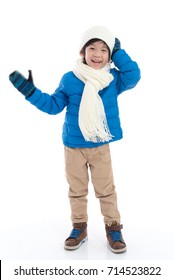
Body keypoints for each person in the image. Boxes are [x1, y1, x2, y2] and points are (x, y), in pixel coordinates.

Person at [9, 26, 141, 254]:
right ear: (83, 51)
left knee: (106, 190)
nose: (97, 54)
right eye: (92, 48)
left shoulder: (112, 79)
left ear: (110, 55)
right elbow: (53, 106)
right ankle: (79, 227)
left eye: (104, 50)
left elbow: (133, 75)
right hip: (73, 146)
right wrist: (31, 92)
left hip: (100, 145)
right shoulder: (70, 79)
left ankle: (113, 228)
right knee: (77, 190)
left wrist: (119, 52)